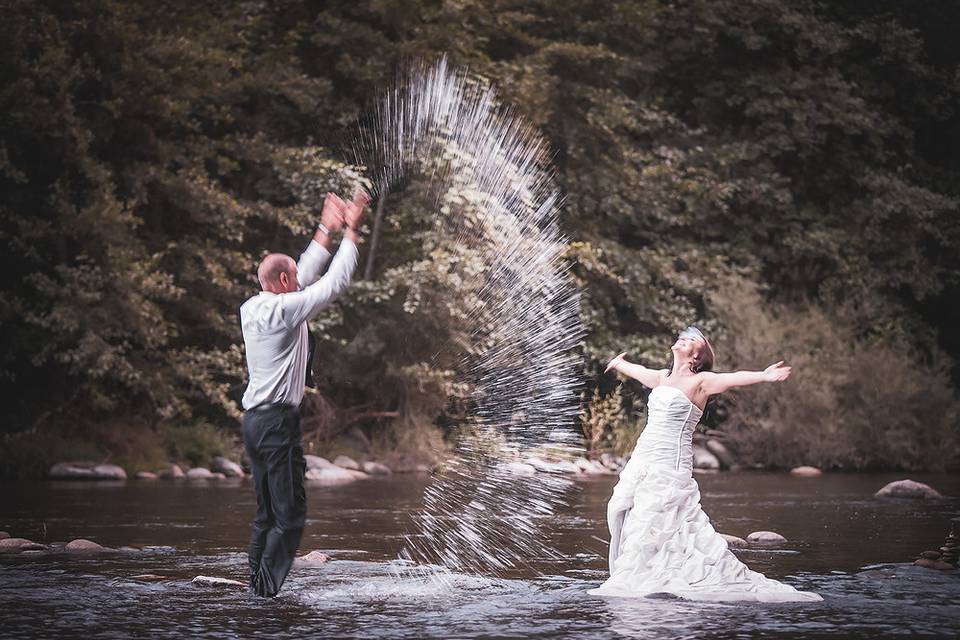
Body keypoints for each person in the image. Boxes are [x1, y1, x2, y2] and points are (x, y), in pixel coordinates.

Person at [589, 326, 822, 602]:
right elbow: (639, 371)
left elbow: (732, 378)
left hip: (670, 463)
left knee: (659, 515)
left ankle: (650, 575)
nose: (682, 339)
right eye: (683, 337)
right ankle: (645, 570)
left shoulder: (701, 382)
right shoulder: (662, 378)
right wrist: (619, 363)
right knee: (626, 510)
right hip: (644, 457)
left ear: (696, 358)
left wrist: (764, 375)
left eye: (690, 340)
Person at [239, 189, 368, 597]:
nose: (298, 281)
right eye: (292, 278)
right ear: (282, 282)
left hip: (254, 422)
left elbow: (304, 273)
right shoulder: (284, 310)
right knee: (290, 518)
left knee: (266, 515)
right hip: (277, 422)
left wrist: (324, 231)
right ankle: (264, 594)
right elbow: (332, 283)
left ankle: (253, 589)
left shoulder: (256, 306)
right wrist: (351, 230)